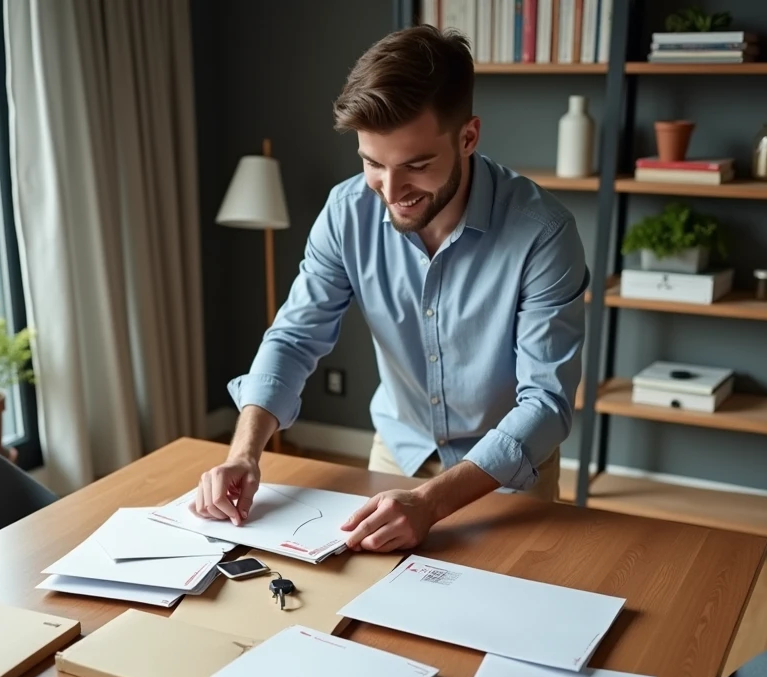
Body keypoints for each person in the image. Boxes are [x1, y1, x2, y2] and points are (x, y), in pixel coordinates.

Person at [190, 24, 588, 553]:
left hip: (507, 473)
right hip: (395, 453)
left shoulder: (544, 233)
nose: (392, 192)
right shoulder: (346, 212)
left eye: (417, 166)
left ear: (468, 137)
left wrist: (432, 502)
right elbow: (293, 339)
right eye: (373, 163)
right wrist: (243, 452)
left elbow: (546, 401)